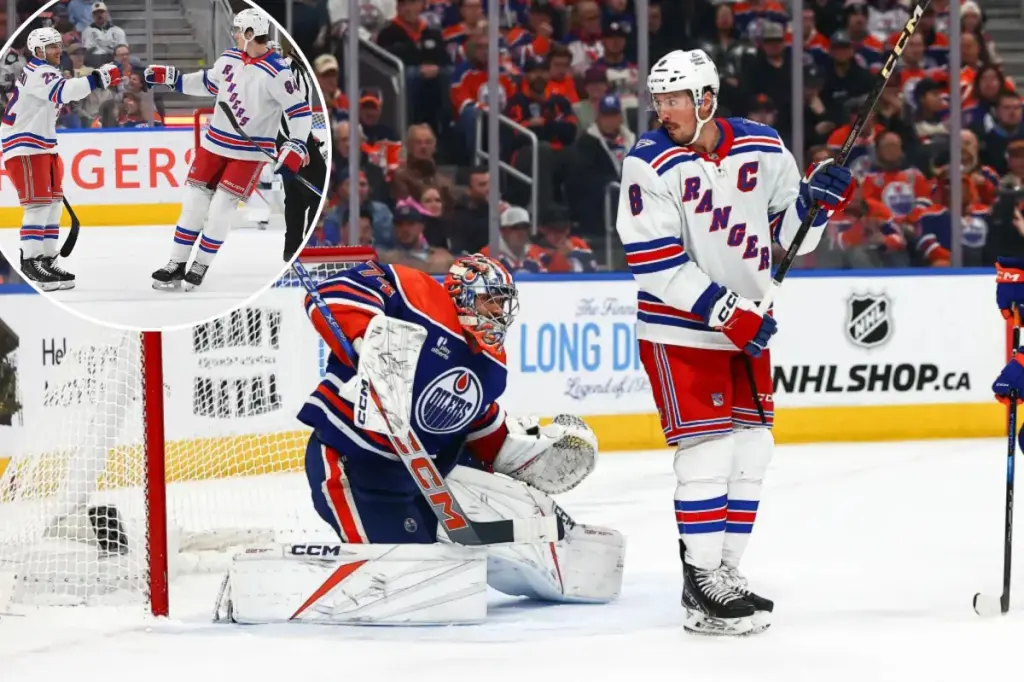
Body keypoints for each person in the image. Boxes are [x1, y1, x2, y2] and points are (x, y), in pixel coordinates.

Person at [615, 49, 853, 636]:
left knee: (753, 452)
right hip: (680, 331)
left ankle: (725, 573)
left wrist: (815, 208)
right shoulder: (649, 162)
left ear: (706, 99)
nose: (662, 110)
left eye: (674, 99)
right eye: (659, 100)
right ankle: (699, 585)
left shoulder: (764, 147)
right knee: (706, 456)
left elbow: (790, 237)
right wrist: (727, 312)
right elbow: (652, 259)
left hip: (746, 326)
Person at [254, 253, 625, 623]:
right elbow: (335, 291)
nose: (496, 312)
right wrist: (366, 335)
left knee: (428, 571)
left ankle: (552, 553)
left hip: (416, 482)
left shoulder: (491, 366)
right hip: (352, 465)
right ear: (461, 295)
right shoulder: (419, 294)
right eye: (488, 300)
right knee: (401, 576)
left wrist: (525, 452)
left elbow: (477, 424)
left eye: (502, 303)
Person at [143, 8, 312, 291]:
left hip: (248, 154)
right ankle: (176, 262)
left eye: (237, 30)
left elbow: (300, 112)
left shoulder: (278, 73)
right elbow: (207, 82)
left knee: (221, 208)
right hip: (214, 145)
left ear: (249, 34)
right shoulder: (230, 59)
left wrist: (296, 144)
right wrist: (174, 78)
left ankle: (200, 264)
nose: (233, 34)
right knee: (194, 204)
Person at [0, 27, 121, 291]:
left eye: (58, 45)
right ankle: (30, 260)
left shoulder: (46, 70)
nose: (57, 50)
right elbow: (64, 93)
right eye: (51, 47)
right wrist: (98, 78)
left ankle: (47, 259)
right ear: (38, 51)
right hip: (24, 146)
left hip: (41, 145)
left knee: (53, 204)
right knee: (38, 206)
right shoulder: (39, 71)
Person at [276, 38, 327, 263]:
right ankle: (308, 247)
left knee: (295, 197)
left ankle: (293, 249)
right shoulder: (291, 70)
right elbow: (289, 111)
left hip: (294, 139)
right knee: (320, 190)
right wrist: (297, 142)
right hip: (295, 141)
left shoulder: (294, 68)